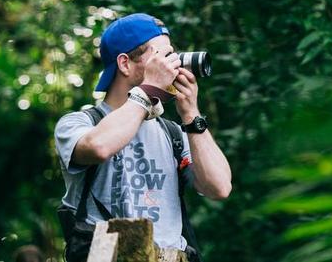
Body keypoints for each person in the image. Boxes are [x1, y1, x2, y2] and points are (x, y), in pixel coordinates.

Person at [55, 13, 232, 262]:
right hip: (105, 254)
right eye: (162, 56)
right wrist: (147, 90)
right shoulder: (79, 123)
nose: (173, 64)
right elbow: (98, 148)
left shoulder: (173, 135)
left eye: (173, 55)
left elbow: (219, 188)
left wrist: (192, 114)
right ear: (125, 63)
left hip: (170, 256)